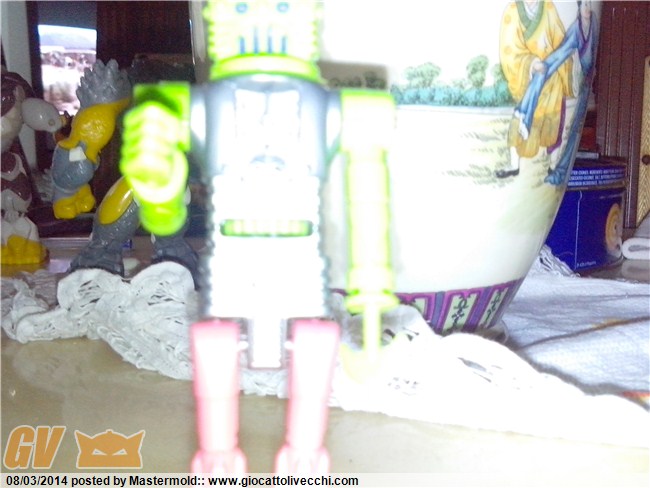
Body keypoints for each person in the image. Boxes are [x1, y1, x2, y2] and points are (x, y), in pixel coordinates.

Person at [497, 0, 574, 178]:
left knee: (555, 123)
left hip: (552, 80)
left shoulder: (548, 8)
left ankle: (552, 165)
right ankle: (514, 165)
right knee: (519, 121)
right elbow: (509, 50)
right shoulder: (513, 11)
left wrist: (554, 63)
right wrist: (531, 63)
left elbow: (561, 42)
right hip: (528, 79)